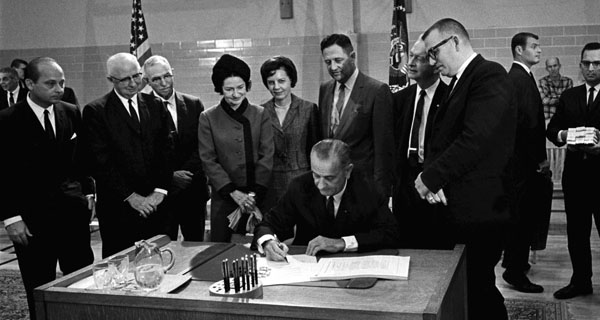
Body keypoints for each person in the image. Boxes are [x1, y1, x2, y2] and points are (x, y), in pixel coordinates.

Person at [416, 18, 516, 320]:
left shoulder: (488, 75)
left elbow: (476, 140)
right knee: (467, 289)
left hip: (482, 210)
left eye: (435, 52)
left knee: (479, 289)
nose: (433, 62)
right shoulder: (459, 81)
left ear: (455, 42)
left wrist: (431, 178)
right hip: (462, 208)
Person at [0, 57, 94, 320]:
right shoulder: (7, 119)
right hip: (31, 220)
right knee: (38, 287)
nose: (59, 88)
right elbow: (3, 173)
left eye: (62, 82)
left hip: (73, 215)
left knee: (81, 282)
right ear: (29, 83)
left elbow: (82, 159)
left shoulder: (70, 111)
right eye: (51, 83)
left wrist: (87, 192)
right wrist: (11, 217)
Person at [82, 52, 171, 257]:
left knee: (159, 262)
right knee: (121, 265)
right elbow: (100, 162)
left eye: (137, 76)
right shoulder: (96, 111)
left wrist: (160, 191)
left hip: (155, 204)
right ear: (110, 80)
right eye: (125, 79)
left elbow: (166, 152)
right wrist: (131, 197)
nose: (133, 83)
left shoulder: (155, 105)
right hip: (119, 207)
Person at [254, 139, 399, 261]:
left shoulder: (368, 189)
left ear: (347, 171)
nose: (321, 185)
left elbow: (390, 234)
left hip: (353, 266)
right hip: (307, 266)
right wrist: (268, 242)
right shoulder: (300, 186)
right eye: (316, 175)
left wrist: (342, 243)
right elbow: (269, 223)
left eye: (329, 178)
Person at [198, 54, 274, 242]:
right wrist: (233, 192)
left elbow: (267, 154)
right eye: (229, 89)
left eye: (240, 88)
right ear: (220, 89)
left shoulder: (260, 113)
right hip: (225, 197)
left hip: (258, 195)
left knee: (262, 247)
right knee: (220, 249)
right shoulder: (208, 117)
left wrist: (253, 195)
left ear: (247, 86)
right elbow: (208, 160)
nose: (235, 94)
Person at [547, 42, 600, 300]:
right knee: (577, 234)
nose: (591, 68)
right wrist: (563, 133)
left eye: (597, 63)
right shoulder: (570, 96)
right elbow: (552, 129)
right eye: (587, 63)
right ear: (580, 66)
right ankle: (581, 281)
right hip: (576, 177)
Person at [318, 33, 394, 198]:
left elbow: (383, 149)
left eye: (338, 60)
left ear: (352, 57)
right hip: (332, 185)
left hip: (364, 184)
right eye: (328, 62)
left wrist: (383, 193)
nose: (333, 67)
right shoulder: (324, 89)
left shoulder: (376, 90)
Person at [143, 55, 209, 242]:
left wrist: (185, 173)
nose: (163, 82)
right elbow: (145, 154)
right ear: (147, 81)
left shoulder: (193, 103)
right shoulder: (142, 108)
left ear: (173, 74)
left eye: (167, 76)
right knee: (163, 247)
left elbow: (202, 144)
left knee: (195, 246)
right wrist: (170, 176)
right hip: (162, 193)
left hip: (192, 188)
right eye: (156, 79)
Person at [501, 32, 549, 294]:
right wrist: (540, 161)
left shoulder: (521, 77)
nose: (539, 51)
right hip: (523, 166)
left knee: (520, 217)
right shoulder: (519, 79)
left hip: (519, 163)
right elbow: (529, 125)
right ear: (519, 50)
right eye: (534, 46)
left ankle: (513, 261)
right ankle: (515, 272)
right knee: (522, 219)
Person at [391, 36, 448, 249]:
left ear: (435, 65)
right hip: (404, 184)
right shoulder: (399, 99)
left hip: (435, 183)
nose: (411, 63)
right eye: (411, 56)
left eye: (419, 58)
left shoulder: (450, 97)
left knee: (435, 249)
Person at [259, 56, 321, 210]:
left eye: (281, 81)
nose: (276, 87)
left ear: (291, 80)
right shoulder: (260, 112)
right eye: (271, 82)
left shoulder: (308, 109)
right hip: (271, 185)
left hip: (302, 181)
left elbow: (315, 150)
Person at [539, 57, 573, 121]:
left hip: (564, 119)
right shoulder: (542, 82)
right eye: (550, 67)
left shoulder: (568, 81)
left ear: (559, 66)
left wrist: (552, 99)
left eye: (555, 66)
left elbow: (569, 101)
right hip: (548, 119)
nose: (553, 69)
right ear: (546, 69)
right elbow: (544, 100)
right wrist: (561, 99)